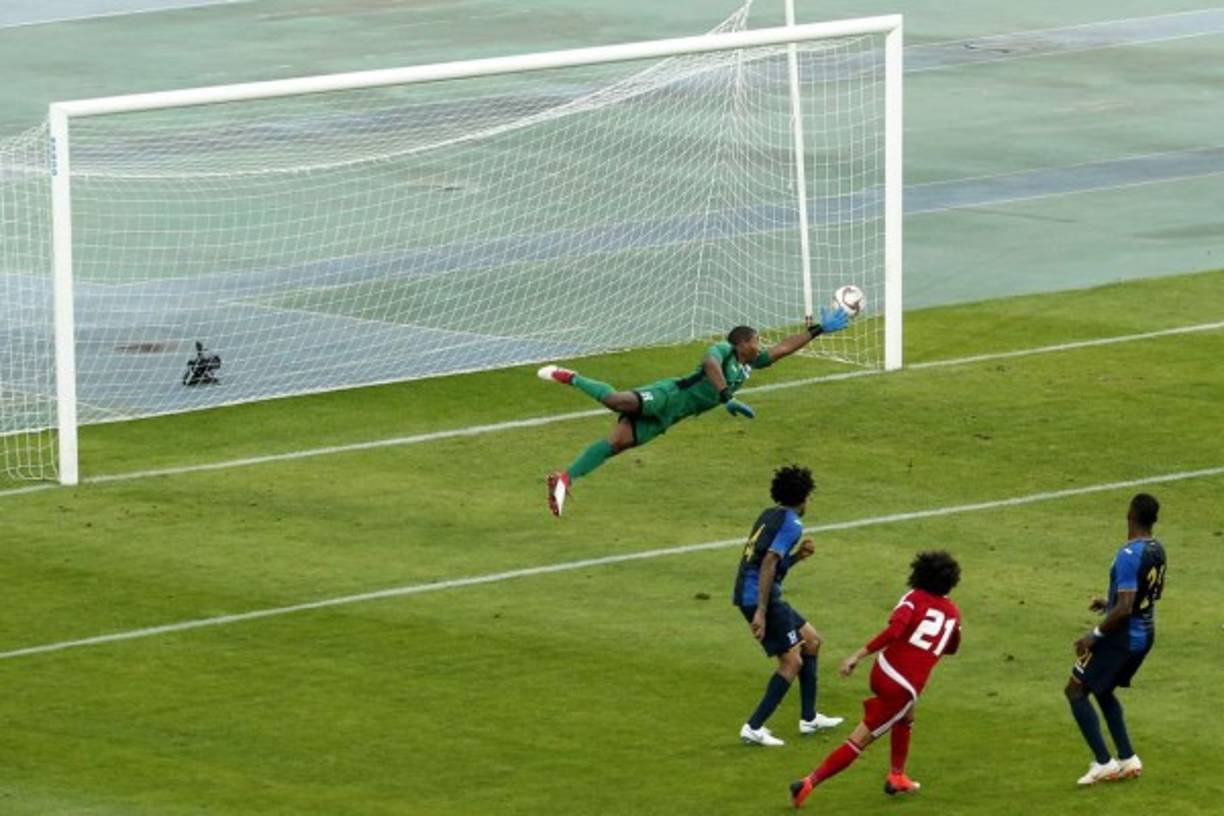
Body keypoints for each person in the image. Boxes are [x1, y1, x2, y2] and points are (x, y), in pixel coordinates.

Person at [536, 306, 850, 515]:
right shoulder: (724, 351)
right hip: (669, 396)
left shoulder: (748, 364)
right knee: (617, 401)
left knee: (615, 444)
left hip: (672, 416)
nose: (760, 344)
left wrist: (818, 330)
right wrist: (726, 395)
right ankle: (571, 376)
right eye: (756, 340)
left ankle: (564, 478)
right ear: (743, 342)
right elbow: (709, 365)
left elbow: (781, 349)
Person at [790, 550, 962, 808]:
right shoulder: (953, 614)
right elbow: (951, 648)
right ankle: (808, 783)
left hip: (883, 670)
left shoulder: (912, 598)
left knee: (907, 716)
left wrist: (858, 657)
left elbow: (895, 630)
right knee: (859, 739)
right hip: (903, 686)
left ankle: (897, 776)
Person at [732, 465, 844, 747]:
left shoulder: (769, 515)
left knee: (812, 641)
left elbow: (767, 561)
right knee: (791, 661)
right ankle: (753, 727)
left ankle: (809, 718)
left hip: (760, 594)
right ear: (803, 496)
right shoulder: (792, 524)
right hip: (759, 598)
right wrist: (760, 610)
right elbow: (768, 562)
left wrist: (796, 558)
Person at [1065, 492, 1167, 786]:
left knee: (1075, 690)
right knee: (1103, 689)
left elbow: (1125, 608)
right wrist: (1108, 601)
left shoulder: (1128, 554)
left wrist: (1093, 635)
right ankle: (1127, 758)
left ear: (1130, 515)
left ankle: (1103, 763)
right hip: (1145, 634)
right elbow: (1150, 594)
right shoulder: (1157, 548)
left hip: (1122, 636)